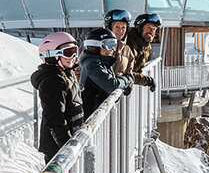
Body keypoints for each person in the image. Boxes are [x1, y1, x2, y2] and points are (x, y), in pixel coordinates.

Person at [30, 32, 84, 163]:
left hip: (70, 138)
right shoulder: (52, 81)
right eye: (68, 52)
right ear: (51, 55)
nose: (73, 57)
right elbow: (54, 118)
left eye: (75, 51)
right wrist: (67, 147)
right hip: (58, 147)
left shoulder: (67, 74)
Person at [79, 28, 133, 119]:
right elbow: (112, 85)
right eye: (108, 45)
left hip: (97, 114)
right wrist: (126, 80)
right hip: (90, 117)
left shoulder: (103, 62)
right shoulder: (92, 65)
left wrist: (123, 85)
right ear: (94, 46)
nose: (112, 49)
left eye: (114, 45)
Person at [127, 12, 161, 92]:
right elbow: (126, 72)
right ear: (140, 28)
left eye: (154, 29)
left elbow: (136, 71)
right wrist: (147, 80)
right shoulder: (128, 42)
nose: (151, 31)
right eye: (148, 27)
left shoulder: (146, 47)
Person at [104, 8, 136, 78]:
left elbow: (129, 75)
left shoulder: (127, 50)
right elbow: (81, 70)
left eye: (123, 28)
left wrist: (124, 82)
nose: (120, 31)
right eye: (117, 27)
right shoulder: (98, 45)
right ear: (110, 28)